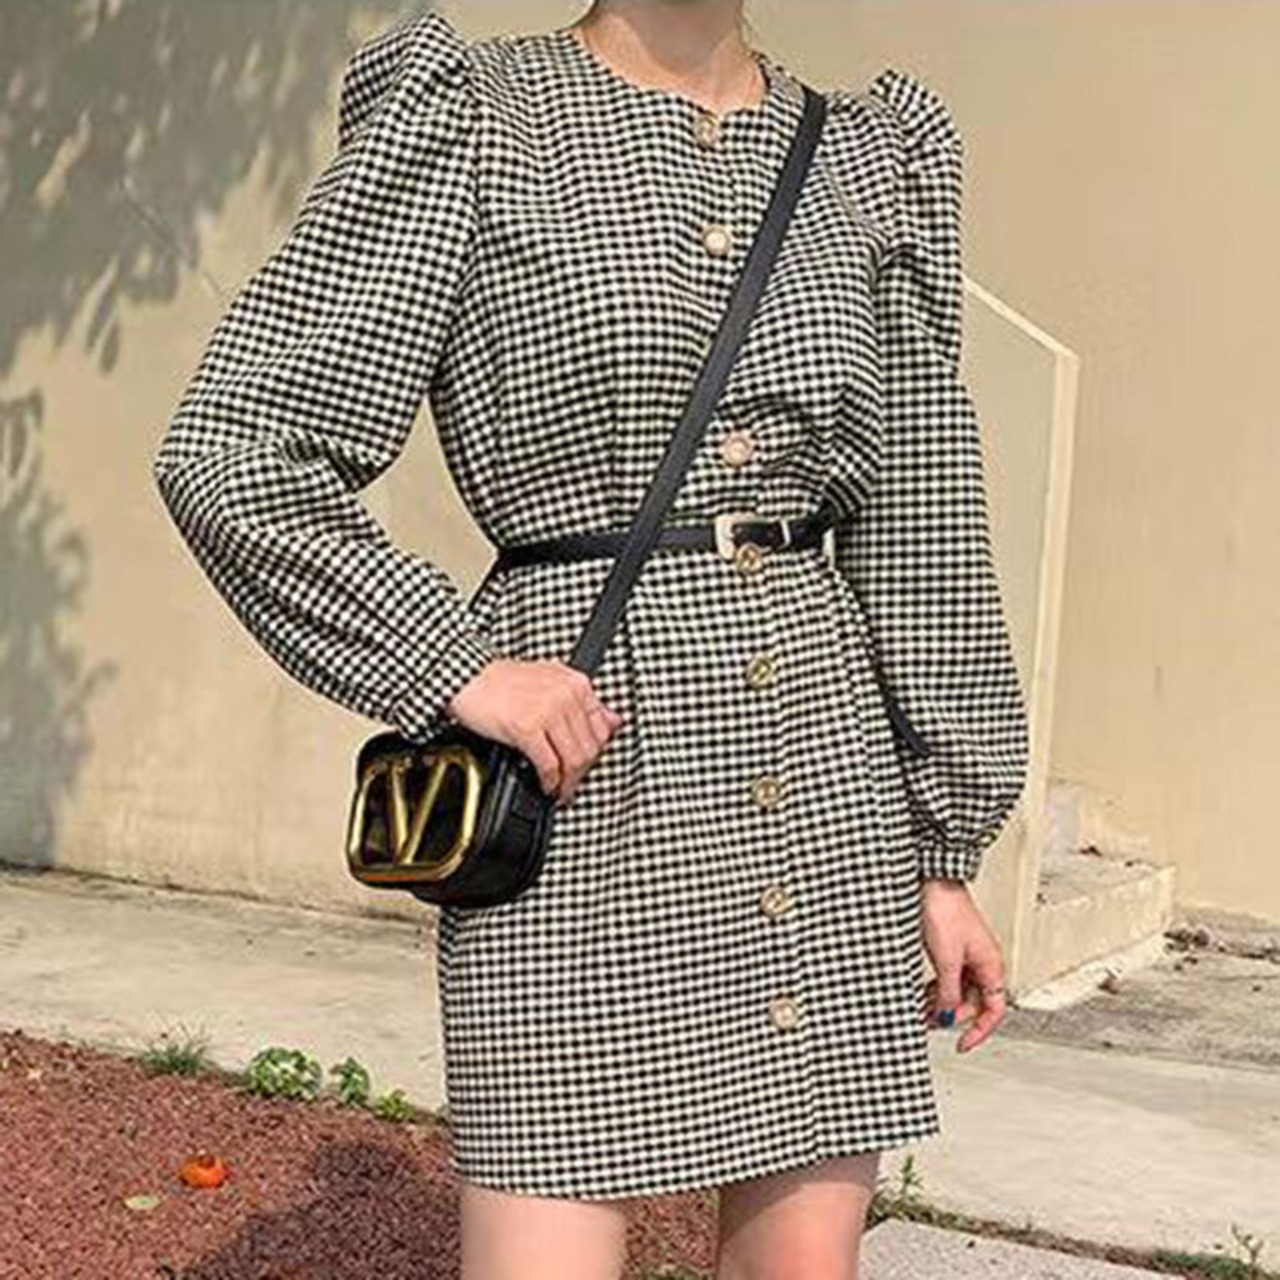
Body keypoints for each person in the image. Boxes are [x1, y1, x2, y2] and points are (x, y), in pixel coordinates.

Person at [152, 0, 1032, 1275]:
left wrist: (942, 851)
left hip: (819, 780)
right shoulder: (471, 113)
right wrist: (448, 660)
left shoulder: (865, 151)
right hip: (585, 777)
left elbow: (920, 516)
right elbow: (235, 450)